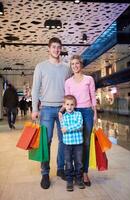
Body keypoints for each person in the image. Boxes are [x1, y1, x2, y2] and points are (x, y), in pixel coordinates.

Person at [31, 37, 71, 189]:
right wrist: (35, 109)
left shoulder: (66, 68)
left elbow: (69, 89)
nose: (56, 49)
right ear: (48, 48)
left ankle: (60, 168)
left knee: (64, 141)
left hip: (63, 110)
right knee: (46, 142)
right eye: (53, 47)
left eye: (58, 47)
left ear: (61, 49)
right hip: (46, 108)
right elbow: (35, 89)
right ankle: (45, 173)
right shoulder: (40, 67)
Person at [60, 55, 97, 186]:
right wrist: (61, 111)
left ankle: (84, 173)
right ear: (71, 66)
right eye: (73, 64)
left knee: (85, 144)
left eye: (77, 63)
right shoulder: (68, 82)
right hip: (73, 112)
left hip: (87, 112)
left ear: (81, 64)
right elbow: (67, 100)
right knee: (73, 145)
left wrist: (95, 114)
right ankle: (75, 172)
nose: (75, 66)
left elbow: (93, 97)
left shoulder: (89, 79)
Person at [60, 95, 85, 191]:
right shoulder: (63, 117)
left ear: (75, 105)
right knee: (68, 162)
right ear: (64, 105)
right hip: (67, 144)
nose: (69, 106)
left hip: (78, 143)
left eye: (72, 104)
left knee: (79, 162)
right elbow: (63, 129)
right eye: (67, 104)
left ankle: (79, 179)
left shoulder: (78, 114)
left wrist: (68, 128)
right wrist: (72, 127)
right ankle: (69, 180)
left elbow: (79, 125)